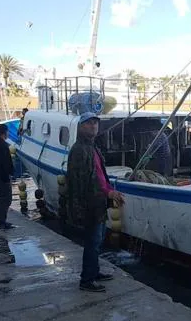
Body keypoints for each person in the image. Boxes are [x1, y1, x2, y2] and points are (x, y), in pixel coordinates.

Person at [66, 112, 125, 293]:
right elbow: (84, 183)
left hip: (98, 202)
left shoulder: (92, 148)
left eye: (95, 123)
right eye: (89, 124)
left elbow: (100, 177)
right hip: (89, 205)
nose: (93, 126)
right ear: (81, 127)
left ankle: (94, 271)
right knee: (92, 241)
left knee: (97, 240)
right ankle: (87, 280)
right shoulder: (79, 150)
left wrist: (109, 192)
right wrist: (108, 193)